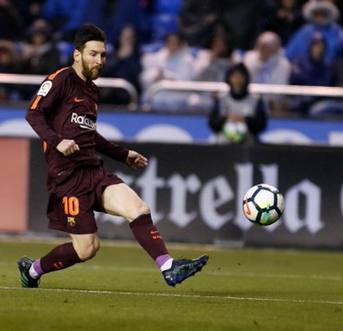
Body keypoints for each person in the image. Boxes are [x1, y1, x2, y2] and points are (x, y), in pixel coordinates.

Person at [20, 25, 208, 289]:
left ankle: (168, 267)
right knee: (87, 249)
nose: (99, 61)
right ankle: (32, 270)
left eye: (103, 55)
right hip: (67, 178)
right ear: (77, 54)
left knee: (139, 209)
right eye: (93, 54)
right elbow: (33, 114)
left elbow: (90, 135)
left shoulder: (92, 91)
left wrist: (123, 154)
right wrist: (57, 141)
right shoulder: (61, 79)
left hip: (93, 171)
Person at [208, 63, 267, 144]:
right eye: (235, 76)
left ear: (246, 78)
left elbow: (261, 124)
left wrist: (245, 120)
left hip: (248, 142)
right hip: (223, 142)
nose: (238, 80)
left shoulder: (256, 100)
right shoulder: (221, 99)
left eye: (241, 76)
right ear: (229, 78)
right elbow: (212, 123)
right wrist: (226, 119)